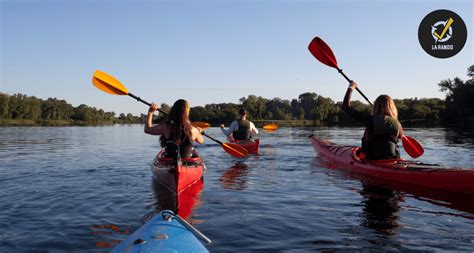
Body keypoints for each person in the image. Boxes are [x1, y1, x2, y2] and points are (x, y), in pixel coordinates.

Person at [342, 81, 403, 160]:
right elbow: (401, 137)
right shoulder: (397, 124)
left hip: (373, 160)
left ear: (376, 106)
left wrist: (351, 88)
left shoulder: (370, 120)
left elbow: (346, 107)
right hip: (393, 159)